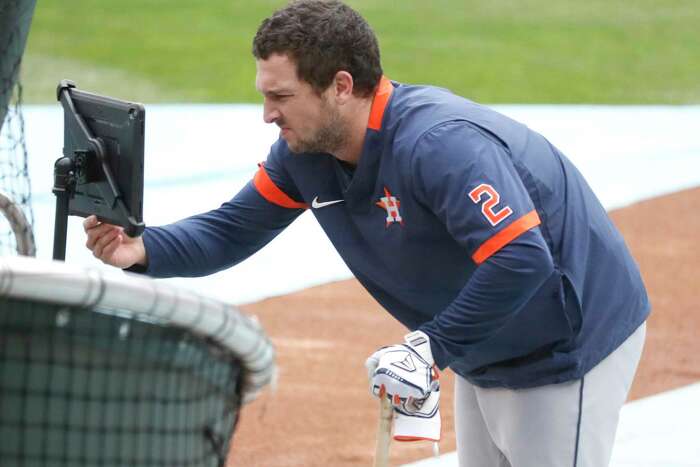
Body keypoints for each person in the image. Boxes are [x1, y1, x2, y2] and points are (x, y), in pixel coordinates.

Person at [83, 1, 649, 465]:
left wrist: (428, 347)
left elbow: (523, 259)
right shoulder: (306, 154)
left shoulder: (439, 144)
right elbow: (233, 230)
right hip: (486, 339)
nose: (267, 115)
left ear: (340, 86)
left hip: (565, 336)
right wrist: (140, 248)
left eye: (281, 97)